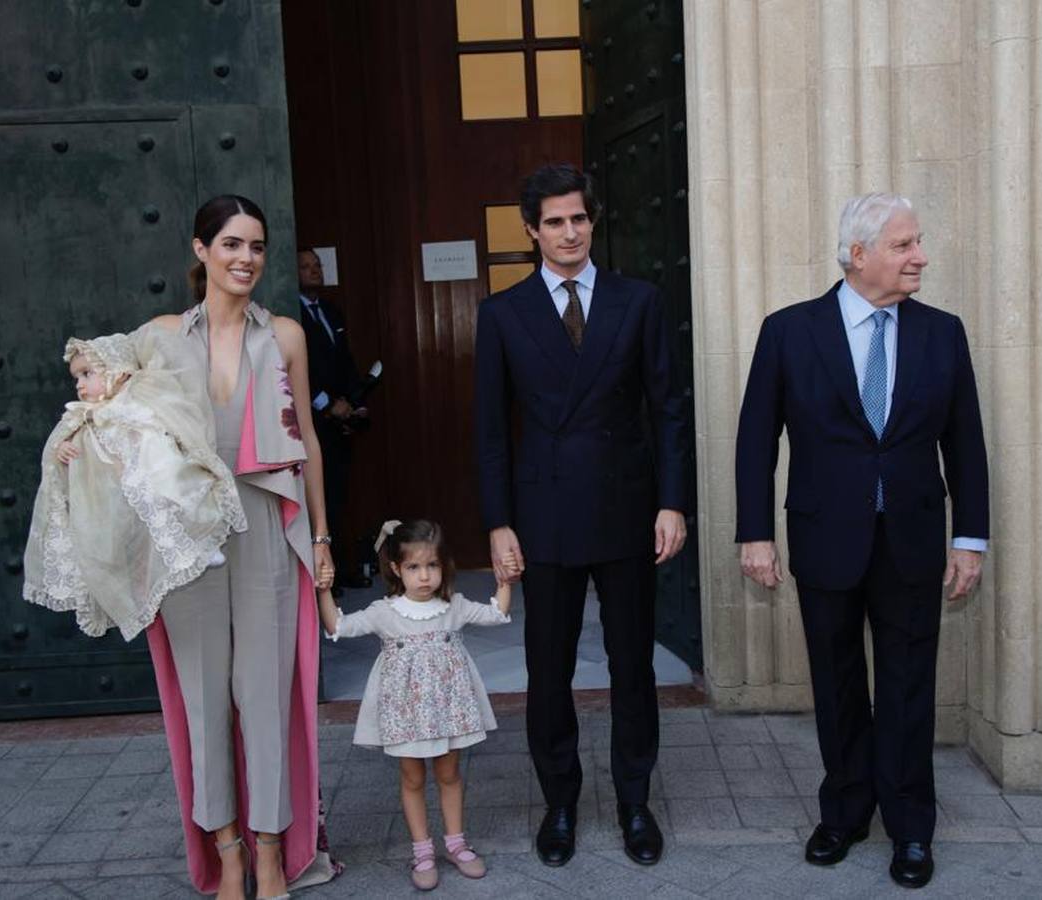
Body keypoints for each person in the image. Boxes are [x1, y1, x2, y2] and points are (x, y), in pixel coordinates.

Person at [734, 193, 989, 889]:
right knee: (837, 681)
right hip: (824, 539)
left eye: (917, 242)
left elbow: (963, 441)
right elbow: (756, 438)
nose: (919, 257)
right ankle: (844, 811)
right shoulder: (789, 332)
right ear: (859, 254)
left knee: (909, 686)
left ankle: (911, 827)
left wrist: (968, 538)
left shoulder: (942, 332)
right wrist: (753, 534)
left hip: (911, 539)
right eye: (904, 245)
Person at [473, 162, 690, 867]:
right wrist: (499, 521)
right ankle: (559, 803)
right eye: (555, 221)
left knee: (632, 666)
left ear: (593, 223)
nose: (569, 232)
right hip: (545, 517)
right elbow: (488, 430)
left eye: (579, 218)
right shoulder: (501, 314)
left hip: (628, 511)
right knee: (548, 669)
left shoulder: (639, 300)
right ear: (531, 230)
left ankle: (634, 801)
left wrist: (670, 502)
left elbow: (666, 409)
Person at [139, 195, 339, 900]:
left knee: (264, 698)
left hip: (267, 529)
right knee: (202, 701)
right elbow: (106, 414)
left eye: (255, 246)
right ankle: (223, 851)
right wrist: (77, 449)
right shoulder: (161, 337)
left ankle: (268, 850)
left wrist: (319, 537)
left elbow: (308, 440)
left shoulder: (284, 334)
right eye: (229, 244)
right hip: (189, 542)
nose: (244, 258)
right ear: (200, 251)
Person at [319, 519, 513, 891]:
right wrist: (324, 589)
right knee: (412, 778)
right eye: (413, 567)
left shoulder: (452, 606)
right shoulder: (384, 611)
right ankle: (422, 851)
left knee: (450, 774)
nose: (424, 576)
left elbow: (495, 615)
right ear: (396, 569)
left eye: (432, 566)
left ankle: (456, 843)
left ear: (444, 566)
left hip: (448, 710)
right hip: (406, 714)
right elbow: (338, 627)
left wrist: (505, 582)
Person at [22, 330, 246, 641]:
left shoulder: (133, 401)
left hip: (151, 471)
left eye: (87, 374)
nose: (79, 384)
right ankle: (136, 577)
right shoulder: (83, 416)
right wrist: (63, 449)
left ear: (117, 370)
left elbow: (161, 427)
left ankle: (194, 546)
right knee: (117, 533)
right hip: (116, 493)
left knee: (168, 498)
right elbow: (62, 443)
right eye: (76, 377)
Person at [297, 248, 371, 594]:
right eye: (306, 267)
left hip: (340, 421)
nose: (314, 271)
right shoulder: (292, 314)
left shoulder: (329, 310)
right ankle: (323, 574)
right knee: (317, 495)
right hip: (311, 420)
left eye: (317, 266)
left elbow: (345, 360)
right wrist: (327, 405)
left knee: (340, 494)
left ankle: (343, 568)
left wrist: (355, 403)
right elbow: (299, 372)